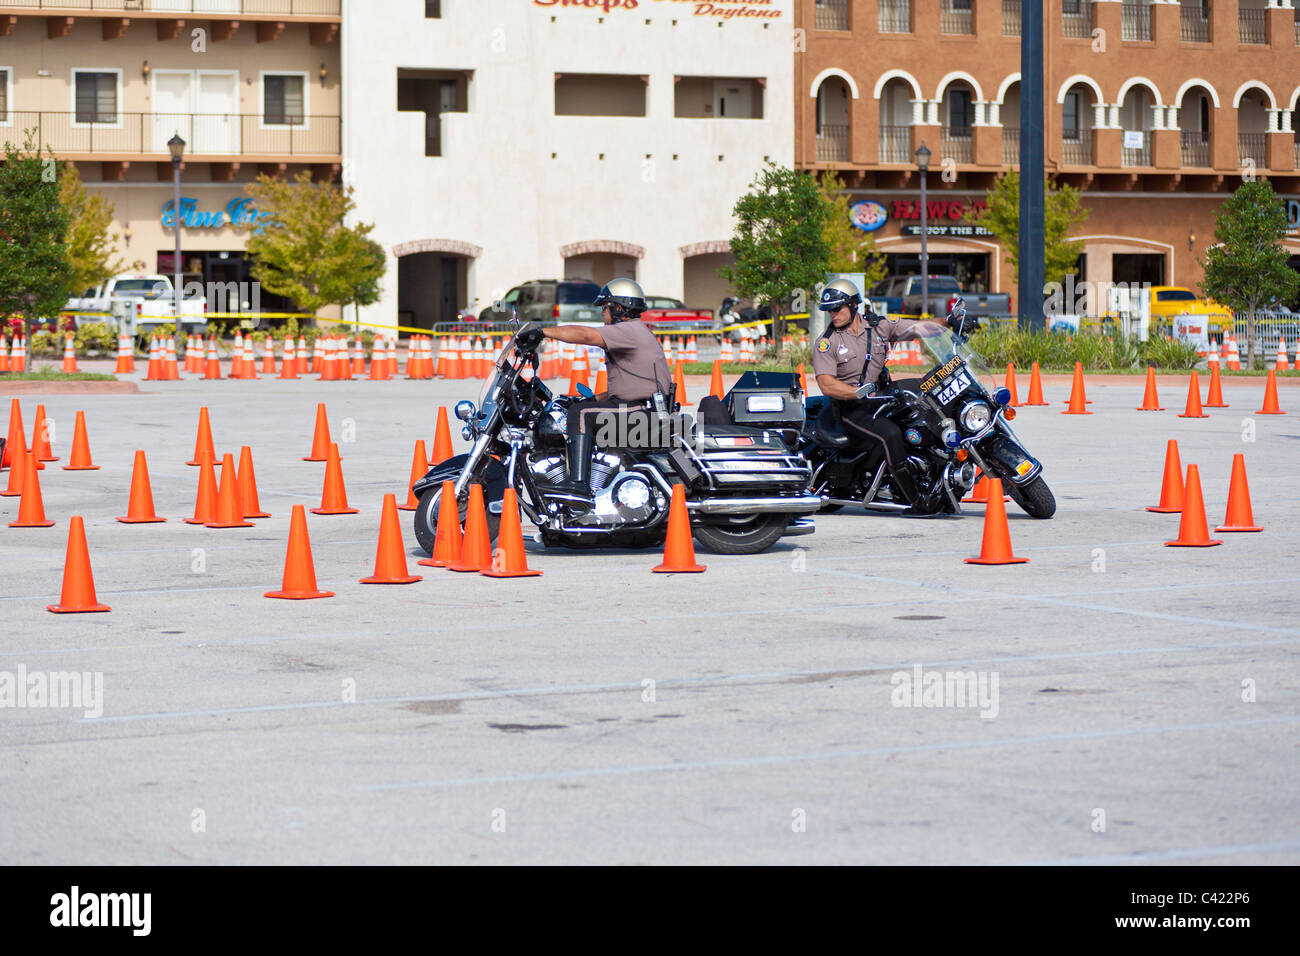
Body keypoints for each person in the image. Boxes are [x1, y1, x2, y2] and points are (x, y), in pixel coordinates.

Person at [810, 277, 967, 515]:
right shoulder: (827, 342)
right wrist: (855, 392)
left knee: (929, 394)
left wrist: (949, 321)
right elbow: (826, 384)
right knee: (890, 435)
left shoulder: (878, 326)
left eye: (837, 307)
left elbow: (917, 327)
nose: (832, 313)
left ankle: (939, 471)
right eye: (829, 309)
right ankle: (917, 500)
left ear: (853, 305)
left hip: (882, 395)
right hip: (852, 407)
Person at [521, 278, 673, 509]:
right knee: (582, 407)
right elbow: (627, 387)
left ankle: (578, 485)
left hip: (640, 410)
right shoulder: (633, 332)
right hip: (641, 406)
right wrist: (590, 399)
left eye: (605, 307)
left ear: (619, 308)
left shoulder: (627, 330)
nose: (602, 312)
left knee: (580, 414)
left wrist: (542, 331)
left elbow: (586, 335)